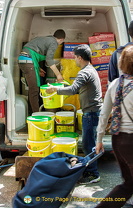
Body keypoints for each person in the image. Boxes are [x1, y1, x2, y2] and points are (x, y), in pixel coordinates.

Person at [46, 44, 103, 184]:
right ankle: (91, 171)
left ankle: (93, 174)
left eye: (75, 58)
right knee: (90, 143)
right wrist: (64, 86)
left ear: (80, 58)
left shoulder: (84, 72)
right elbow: (76, 89)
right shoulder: (90, 70)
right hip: (93, 112)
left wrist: (55, 89)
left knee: (88, 145)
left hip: (91, 114)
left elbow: (73, 90)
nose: (74, 61)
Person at [95, 45, 133, 208]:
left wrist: (99, 140)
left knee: (129, 184)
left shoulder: (115, 84)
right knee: (129, 185)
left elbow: (104, 115)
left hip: (118, 140)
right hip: (132, 140)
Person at [18, 29, 66, 113]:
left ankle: (31, 113)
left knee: (32, 89)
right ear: (62, 39)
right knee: (34, 90)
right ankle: (37, 115)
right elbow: (49, 60)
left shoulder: (46, 39)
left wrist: (37, 68)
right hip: (29, 61)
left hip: (25, 60)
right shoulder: (54, 43)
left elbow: (33, 52)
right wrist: (58, 75)